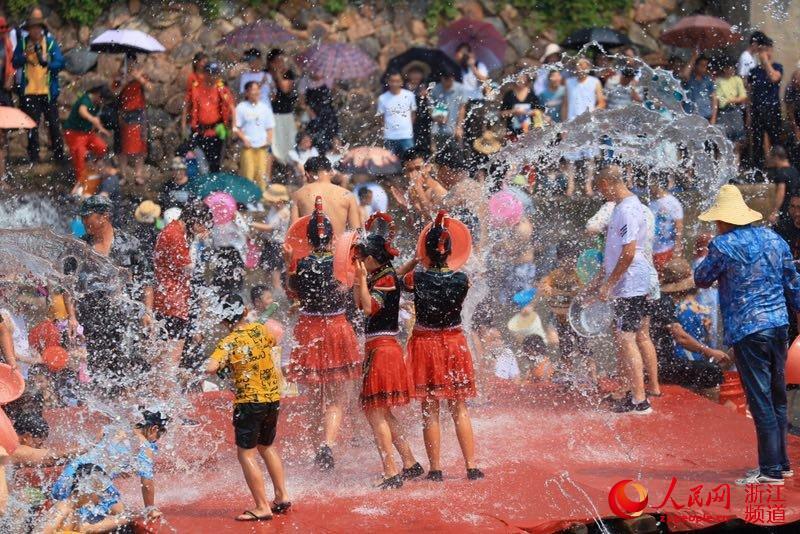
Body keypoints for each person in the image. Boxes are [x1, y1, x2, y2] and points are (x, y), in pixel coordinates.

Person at [695, 184, 800, 485]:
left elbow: (701, 279)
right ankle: (782, 463)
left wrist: (708, 252)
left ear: (725, 220)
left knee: (760, 399)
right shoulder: (774, 238)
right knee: (778, 396)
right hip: (778, 325)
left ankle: (769, 470)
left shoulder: (723, 245)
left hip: (747, 329)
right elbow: (793, 284)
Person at [403, 211, 483, 481]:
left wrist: (416, 259)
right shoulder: (463, 280)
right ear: (451, 249)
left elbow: (399, 280)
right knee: (459, 406)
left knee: (429, 408)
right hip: (454, 342)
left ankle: (435, 468)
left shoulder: (418, 278)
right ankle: (471, 466)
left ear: (425, 249)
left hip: (425, 344)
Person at [284, 198, 361, 470]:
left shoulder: (300, 264)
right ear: (332, 236)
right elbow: (350, 291)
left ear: (307, 236)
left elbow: (292, 293)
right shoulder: (342, 263)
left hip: (309, 329)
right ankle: (328, 444)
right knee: (337, 396)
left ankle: (317, 448)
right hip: (338, 328)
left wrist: (287, 263)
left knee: (314, 396)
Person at [206, 293, 290, 521]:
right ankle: (281, 497)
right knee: (267, 446)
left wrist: (224, 360)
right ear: (244, 311)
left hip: (249, 403)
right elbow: (274, 340)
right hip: (272, 398)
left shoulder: (229, 341)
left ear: (223, 321)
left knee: (246, 454)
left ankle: (262, 506)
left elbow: (212, 367)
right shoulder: (261, 330)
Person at [353, 214, 423, 489]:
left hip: (383, 350)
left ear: (374, 259)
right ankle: (409, 462)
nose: (360, 263)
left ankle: (391, 471)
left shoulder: (383, 280)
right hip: (382, 348)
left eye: (362, 258)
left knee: (374, 412)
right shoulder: (382, 274)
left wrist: (359, 277)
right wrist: (359, 278)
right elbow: (360, 303)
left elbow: (369, 308)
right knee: (382, 412)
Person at [593, 165, 659, 414]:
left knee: (628, 338)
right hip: (626, 282)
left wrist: (609, 285)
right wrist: (599, 282)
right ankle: (632, 393)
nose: (602, 194)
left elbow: (629, 252)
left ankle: (640, 400)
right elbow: (614, 252)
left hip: (630, 284)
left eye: (602, 188)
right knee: (626, 338)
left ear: (609, 183)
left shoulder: (628, 210)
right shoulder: (625, 207)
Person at [72, 195, 150, 394]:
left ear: (104, 216)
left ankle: (133, 410)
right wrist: (72, 317)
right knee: (100, 370)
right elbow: (67, 284)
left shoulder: (129, 244)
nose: (83, 222)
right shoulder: (79, 248)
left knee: (131, 363)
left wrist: (148, 312)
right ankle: (108, 412)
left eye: (87, 217)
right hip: (93, 318)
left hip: (125, 316)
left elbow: (147, 280)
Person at [50, 410, 168, 521]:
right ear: (154, 428)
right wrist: (150, 509)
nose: (154, 441)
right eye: (157, 438)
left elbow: (94, 451)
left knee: (70, 505)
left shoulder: (115, 428)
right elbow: (147, 484)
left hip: (67, 478)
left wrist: (116, 467)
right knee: (122, 514)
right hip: (90, 482)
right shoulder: (144, 446)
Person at [150, 202, 213, 374]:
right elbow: (189, 268)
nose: (203, 229)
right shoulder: (175, 235)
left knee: (163, 357)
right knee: (171, 360)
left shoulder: (172, 230)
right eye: (202, 224)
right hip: (172, 302)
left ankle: (162, 395)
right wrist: (197, 242)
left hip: (168, 299)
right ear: (194, 220)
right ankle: (166, 396)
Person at [650, 258, 727, 390]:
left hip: (654, 362)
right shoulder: (665, 302)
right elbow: (681, 337)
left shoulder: (658, 298)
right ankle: (708, 408)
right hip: (661, 365)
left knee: (699, 367)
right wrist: (709, 352)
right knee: (711, 371)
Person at [12, 10, 65, 164]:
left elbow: (60, 62)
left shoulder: (49, 43)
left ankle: (59, 157)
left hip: (47, 92)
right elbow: (15, 62)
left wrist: (47, 63)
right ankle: (34, 158)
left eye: (37, 27)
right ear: (28, 29)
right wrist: (24, 56)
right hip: (29, 92)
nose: (35, 30)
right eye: (32, 28)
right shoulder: (22, 43)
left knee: (54, 125)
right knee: (32, 127)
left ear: (41, 28)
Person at [290, 156, 360, 236]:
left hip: (311, 248)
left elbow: (292, 234)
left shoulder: (298, 195)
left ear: (307, 175)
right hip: (338, 247)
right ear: (331, 172)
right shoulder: (347, 195)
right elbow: (356, 234)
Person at [63, 84, 112, 195]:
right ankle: (80, 181)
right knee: (81, 154)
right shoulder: (86, 99)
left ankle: (94, 168)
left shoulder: (98, 104)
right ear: (98, 95)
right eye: (102, 100)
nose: (102, 103)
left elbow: (96, 120)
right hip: (74, 133)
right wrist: (92, 119)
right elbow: (82, 111)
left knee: (102, 147)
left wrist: (101, 129)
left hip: (88, 133)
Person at [188, 62, 234, 173]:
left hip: (216, 133)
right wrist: (186, 127)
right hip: (200, 133)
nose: (213, 76)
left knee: (215, 165)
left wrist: (234, 127)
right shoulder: (197, 90)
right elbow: (190, 108)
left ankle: (214, 189)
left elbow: (231, 107)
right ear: (204, 74)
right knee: (201, 165)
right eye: (210, 73)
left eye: (215, 73)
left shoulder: (221, 90)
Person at [747, 35, 783, 169]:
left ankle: (781, 168)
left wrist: (766, 62)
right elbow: (750, 94)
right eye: (761, 50)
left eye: (766, 50)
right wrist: (749, 115)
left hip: (772, 110)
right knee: (757, 143)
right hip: (757, 110)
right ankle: (758, 170)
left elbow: (774, 78)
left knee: (776, 140)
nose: (764, 53)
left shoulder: (777, 67)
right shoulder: (753, 71)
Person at [116, 54, 152, 185]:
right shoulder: (120, 76)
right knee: (121, 146)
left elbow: (150, 88)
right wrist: (124, 82)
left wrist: (139, 79)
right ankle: (123, 175)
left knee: (140, 145)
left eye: (132, 63)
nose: (130, 65)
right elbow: (113, 93)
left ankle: (138, 174)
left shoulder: (140, 75)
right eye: (127, 63)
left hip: (138, 112)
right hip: (123, 112)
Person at [235, 81, 274, 191]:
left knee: (262, 174)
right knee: (248, 173)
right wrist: (243, 138)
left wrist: (269, 140)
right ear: (247, 93)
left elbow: (270, 126)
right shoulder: (241, 107)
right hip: (248, 147)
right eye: (253, 90)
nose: (256, 92)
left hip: (262, 146)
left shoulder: (265, 107)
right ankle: (248, 199)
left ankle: (260, 197)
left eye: (258, 89)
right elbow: (235, 127)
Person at [252, 184, 291, 290]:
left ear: (280, 200)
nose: (270, 203)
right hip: (269, 244)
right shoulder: (274, 209)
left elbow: (270, 227)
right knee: (267, 277)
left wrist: (251, 224)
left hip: (277, 247)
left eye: (272, 200)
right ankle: (268, 299)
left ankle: (281, 302)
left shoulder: (284, 212)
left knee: (276, 280)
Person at [267, 48, 298, 166]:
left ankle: (290, 173)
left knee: (289, 143)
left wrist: (278, 74)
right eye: (278, 60)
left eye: (282, 60)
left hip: (286, 113)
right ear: (271, 62)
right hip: (271, 114)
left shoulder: (288, 73)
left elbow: (285, 89)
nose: (281, 63)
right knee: (273, 144)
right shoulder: (265, 73)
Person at [377, 70, 417, 157]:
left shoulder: (409, 95)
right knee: (389, 162)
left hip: (406, 134)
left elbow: (413, 113)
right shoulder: (382, 98)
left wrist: (409, 126)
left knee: (410, 159)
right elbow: (381, 117)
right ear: (388, 82)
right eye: (392, 81)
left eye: (397, 81)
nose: (395, 84)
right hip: (390, 135)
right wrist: (385, 129)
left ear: (402, 82)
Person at [649, 175, 684, 270]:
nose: (649, 187)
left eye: (651, 184)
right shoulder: (651, 203)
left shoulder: (672, 202)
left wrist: (677, 248)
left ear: (658, 184)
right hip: (653, 250)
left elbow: (679, 226)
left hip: (668, 248)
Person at [303, 71, 339, 154]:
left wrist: (334, 86)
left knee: (331, 135)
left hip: (328, 114)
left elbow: (333, 95)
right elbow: (301, 101)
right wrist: (308, 110)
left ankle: (330, 155)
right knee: (315, 137)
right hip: (314, 115)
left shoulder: (328, 79)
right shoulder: (305, 81)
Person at [714, 56, 748, 146]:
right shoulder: (718, 81)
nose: (731, 70)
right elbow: (719, 100)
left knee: (738, 139)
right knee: (724, 140)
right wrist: (733, 99)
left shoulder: (737, 80)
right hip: (723, 112)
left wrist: (729, 100)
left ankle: (737, 159)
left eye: (733, 68)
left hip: (735, 111)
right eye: (729, 68)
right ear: (724, 69)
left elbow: (743, 97)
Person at [430, 68, 468, 145]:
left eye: (449, 79)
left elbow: (462, 109)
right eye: (445, 79)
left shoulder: (460, 89)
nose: (447, 82)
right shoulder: (435, 89)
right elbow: (430, 107)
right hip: (438, 129)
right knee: (438, 154)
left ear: (453, 78)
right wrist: (436, 116)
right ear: (441, 78)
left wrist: (459, 127)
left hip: (454, 129)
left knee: (456, 153)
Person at [562, 58, 605, 122]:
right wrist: (564, 123)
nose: (579, 67)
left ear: (588, 67)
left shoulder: (595, 81)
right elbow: (565, 105)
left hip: (589, 121)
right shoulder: (569, 82)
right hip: (571, 121)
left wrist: (592, 113)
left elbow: (602, 103)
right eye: (577, 65)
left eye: (581, 65)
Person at [500, 73, 543, 137]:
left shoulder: (531, 94)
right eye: (518, 79)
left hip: (529, 132)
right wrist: (513, 111)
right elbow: (502, 114)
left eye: (522, 79)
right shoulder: (509, 95)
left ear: (527, 81)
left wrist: (527, 112)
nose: (520, 81)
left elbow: (539, 111)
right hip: (512, 132)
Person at [404, 63, 433, 157]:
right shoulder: (404, 89)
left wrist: (427, 97)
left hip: (424, 122)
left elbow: (433, 106)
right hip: (408, 122)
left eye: (418, 73)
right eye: (413, 73)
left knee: (425, 146)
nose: (416, 76)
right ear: (408, 75)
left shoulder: (426, 87)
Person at [767, 146, 800, 226]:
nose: (770, 161)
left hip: (786, 210)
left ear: (776, 157)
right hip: (795, 209)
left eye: (771, 158)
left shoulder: (781, 173)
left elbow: (781, 193)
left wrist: (775, 212)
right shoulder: (794, 170)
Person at [680, 53, 717, 123]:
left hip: (705, 115)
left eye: (706, 66)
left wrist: (713, 117)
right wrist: (693, 57)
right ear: (695, 65)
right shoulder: (689, 79)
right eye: (702, 65)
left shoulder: (708, 80)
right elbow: (684, 74)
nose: (704, 68)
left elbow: (714, 99)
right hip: (690, 115)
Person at [181, 52, 208, 135]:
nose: (205, 64)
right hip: (194, 118)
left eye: (206, 62)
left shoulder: (209, 77)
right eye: (203, 62)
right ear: (196, 63)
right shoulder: (192, 78)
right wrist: (183, 123)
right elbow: (187, 100)